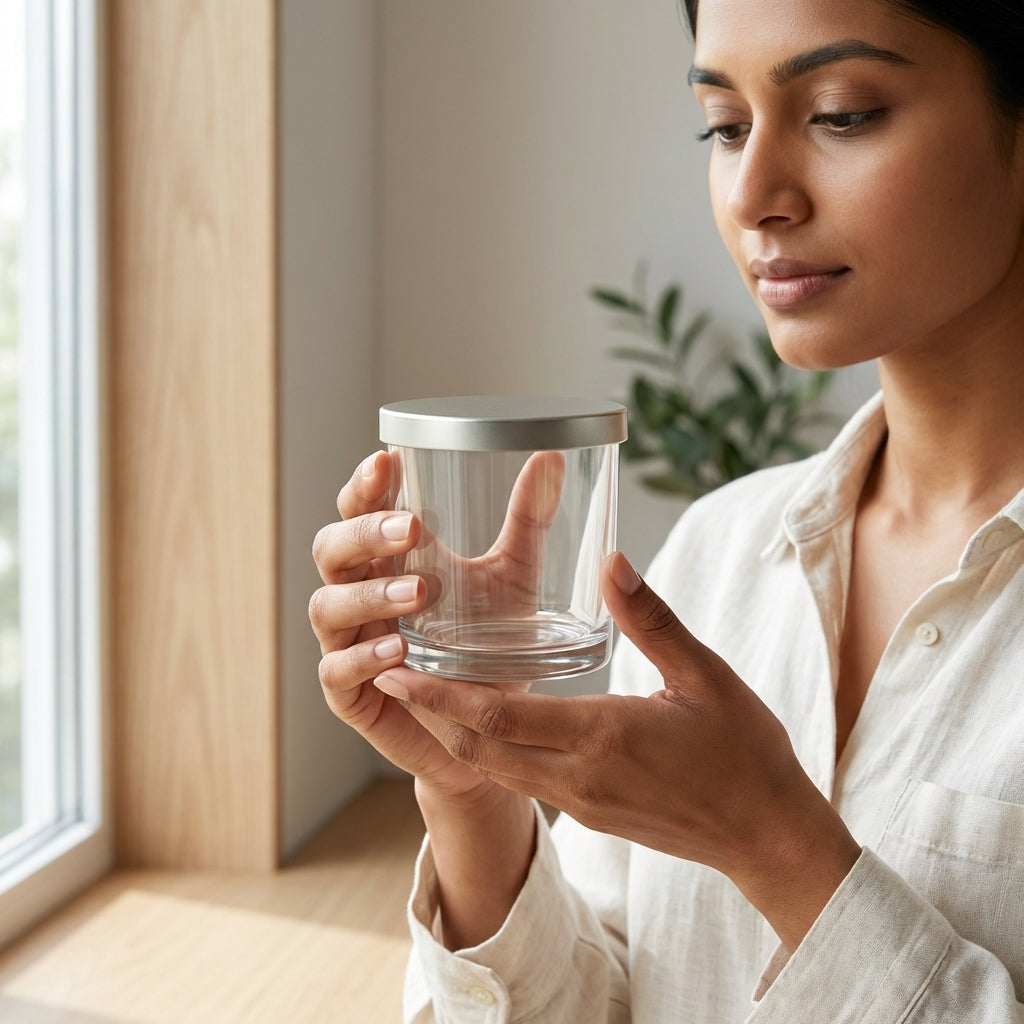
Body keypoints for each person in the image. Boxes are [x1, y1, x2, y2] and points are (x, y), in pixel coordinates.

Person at [309, 0, 1024, 1019]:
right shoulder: (718, 554)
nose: (754, 194)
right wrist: (475, 792)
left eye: (841, 111)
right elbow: (613, 996)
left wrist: (770, 841)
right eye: (724, 126)